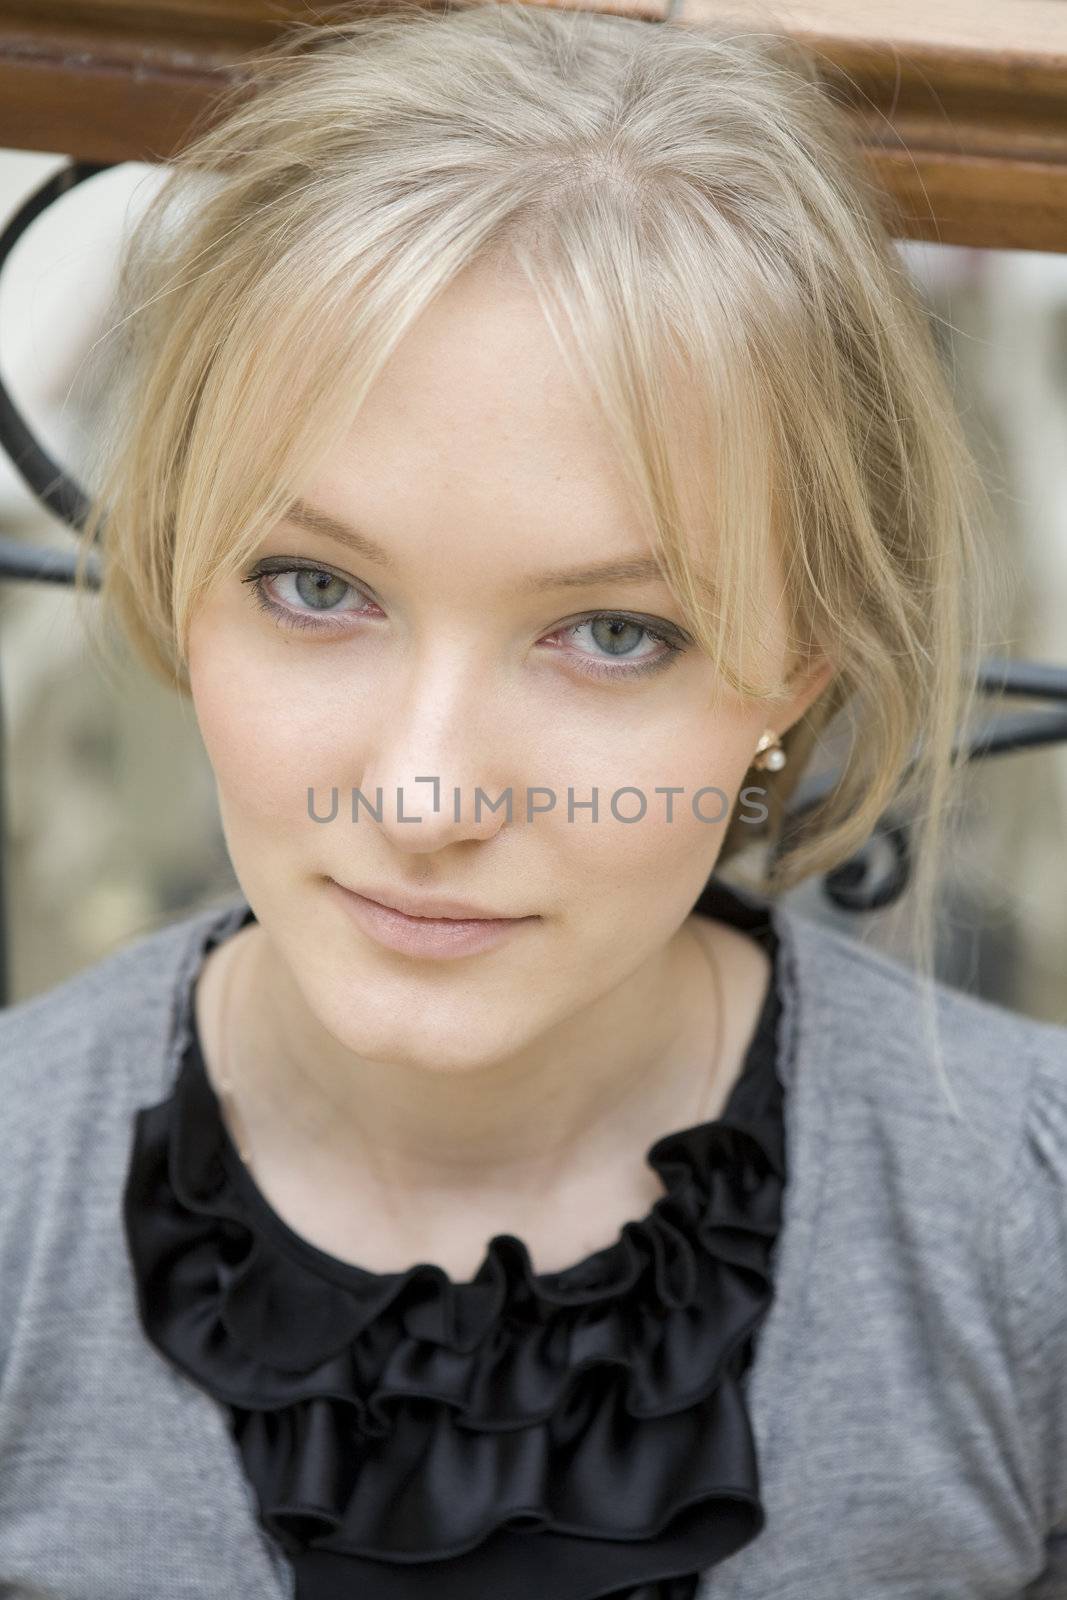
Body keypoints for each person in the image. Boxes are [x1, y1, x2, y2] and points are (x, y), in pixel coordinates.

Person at [1, 2, 1065, 1597]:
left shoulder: (1022, 1226)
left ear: (800, 668)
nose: (427, 795)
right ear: (176, 577)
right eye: (313, 586)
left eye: (615, 634)